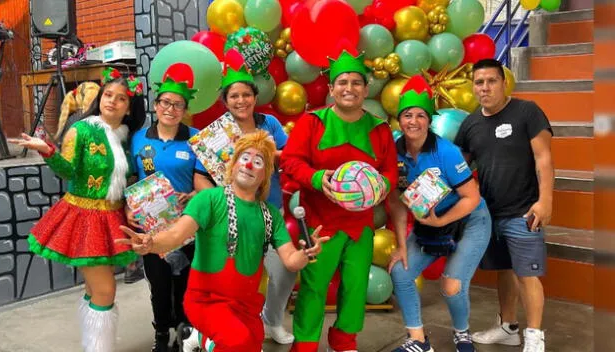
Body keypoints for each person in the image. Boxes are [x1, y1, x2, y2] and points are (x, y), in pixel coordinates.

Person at [118, 131, 328, 352]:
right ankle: (206, 339)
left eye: (258, 162)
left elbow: (291, 261)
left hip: (245, 306)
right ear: (234, 164)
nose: (249, 165)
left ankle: (201, 339)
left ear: (265, 174)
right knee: (237, 342)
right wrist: (151, 243)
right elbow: (176, 235)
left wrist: (306, 254)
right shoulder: (208, 199)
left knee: (252, 344)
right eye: (244, 159)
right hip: (206, 301)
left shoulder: (271, 216)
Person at [9, 67, 146, 352]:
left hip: (114, 216)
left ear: (129, 107)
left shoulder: (126, 137)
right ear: (100, 98)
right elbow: (67, 170)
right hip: (86, 217)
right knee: (106, 291)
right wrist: (47, 150)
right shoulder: (82, 129)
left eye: (121, 98)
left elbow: (129, 178)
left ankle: (93, 344)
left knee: (95, 289)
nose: (112, 101)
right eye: (108, 94)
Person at [280, 49, 399, 352]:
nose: (349, 88)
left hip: (360, 225)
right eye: (342, 82)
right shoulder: (311, 123)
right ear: (331, 89)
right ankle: (305, 344)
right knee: (314, 287)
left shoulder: (380, 129)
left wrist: (379, 186)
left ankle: (344, 340)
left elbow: (389, 172)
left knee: (356, 287)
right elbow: (292, 162)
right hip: (319, 223)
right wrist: (320, 179)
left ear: (366, 89)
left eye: (356, 82)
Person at [454, 58, 553, 352]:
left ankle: (534, 336)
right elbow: (458, 164)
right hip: (488, 214)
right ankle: (508, 327)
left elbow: (543, 158)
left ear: (503, 82)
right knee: (505, 270)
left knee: (527, 273)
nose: (485, 87)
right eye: (479, 82)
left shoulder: (527, 112)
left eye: (491, 81)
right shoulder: (471, 122)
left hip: (524, 211)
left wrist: (545, 200)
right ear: (473, 87)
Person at [386, 76, 491, 352]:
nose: (414, 121)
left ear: (429, 121)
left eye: (421, 115)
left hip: (469, 220)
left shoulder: (446, 151)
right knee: (400, 272)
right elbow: (397, 202)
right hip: (431, 223)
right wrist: (401, 245)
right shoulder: (394, 152)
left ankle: (462, 333)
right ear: (399, 119)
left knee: (452, 285)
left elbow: (472, 197)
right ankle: (419, 341)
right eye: (408, 115)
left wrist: (441, 220)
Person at [202, 54, 297, 344]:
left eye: (246, 94)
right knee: (232, 278)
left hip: (270, 212)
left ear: (255, 97)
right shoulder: (218, 132)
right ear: (225, 100)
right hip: (233, 214)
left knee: (284, 271)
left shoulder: (269, 124)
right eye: (234, 96)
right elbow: (203, 172)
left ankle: (272, 320)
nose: (240, 100)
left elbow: (289, 156)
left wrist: (265, 151)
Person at [128, 63, 213, 352]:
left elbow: (205, 178)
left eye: (178, 105)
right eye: (166, 102)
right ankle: (161, 335)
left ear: (185, 110)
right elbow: (129, 177)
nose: (171, 109)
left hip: (186, 225)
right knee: (159, 285)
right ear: (155, 104)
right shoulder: (138, 139)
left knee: (187, 284)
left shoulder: (196, 138)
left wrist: (195, 196)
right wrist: (129, 208)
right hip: (151, 229)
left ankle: (185, 334)